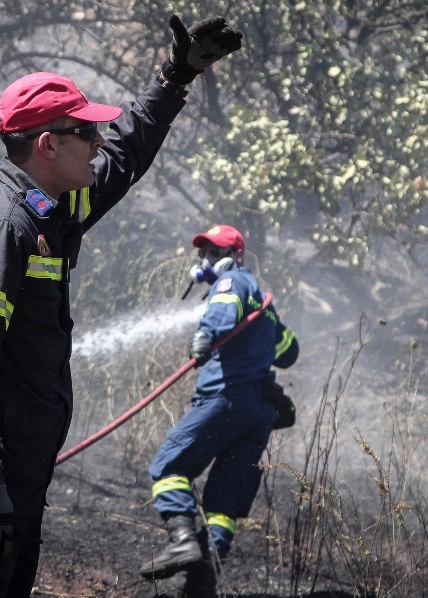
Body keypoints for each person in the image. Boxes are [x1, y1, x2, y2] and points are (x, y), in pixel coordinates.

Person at [0, 15, 245, 598]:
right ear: (48, 143)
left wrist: (176, 78)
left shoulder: (50, 209)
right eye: (85, 133)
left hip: (15, 484)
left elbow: (127, 152)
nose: (97, 142)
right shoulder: (1, 226)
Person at [140, 224, 299, 585]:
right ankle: (202, 583)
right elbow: (289, 353)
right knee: (223, 501)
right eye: (204, 253)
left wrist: (205, 335)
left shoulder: (232, 283)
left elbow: (222, 312)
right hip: (259, 413)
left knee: (168, 468)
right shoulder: (262, 302)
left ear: (236, 255)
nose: (207, 260)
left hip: (225, 399)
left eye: (215, 252)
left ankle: (182, 541)